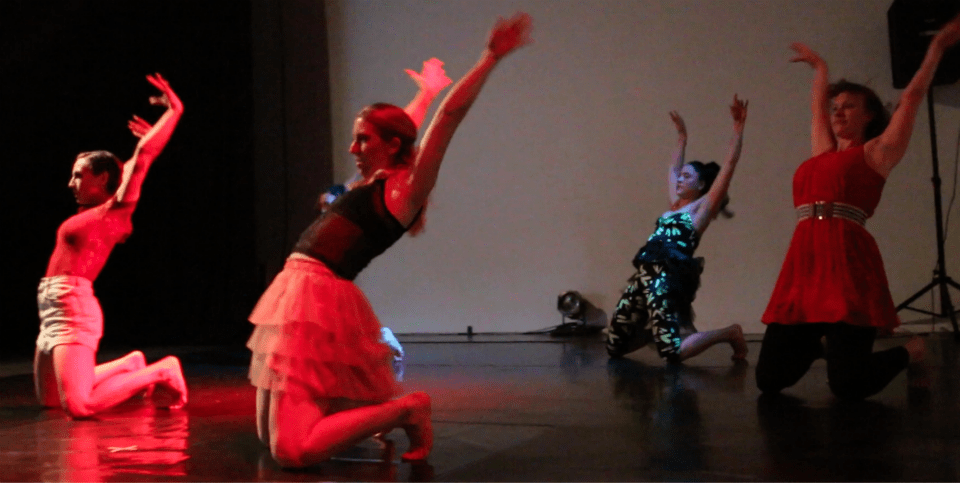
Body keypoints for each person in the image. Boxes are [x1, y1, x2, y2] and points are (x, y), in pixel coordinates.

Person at [247, 13, 533, 467]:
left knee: (292, 450)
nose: (353, 149)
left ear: (391, 146)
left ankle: (408, 409)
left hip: (316, 291)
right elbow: (406, 125)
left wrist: (489, 57)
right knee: (270, 437)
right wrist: (425, 93)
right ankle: (362, 412)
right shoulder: (376, 177)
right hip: (299, 286)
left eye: (362, 140)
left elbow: (447, 120)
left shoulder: (405, 190)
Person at [755, 13, 960, 400]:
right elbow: (817, 109)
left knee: (848, 386)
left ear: (869, 115)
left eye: (849, 106)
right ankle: (822, 346)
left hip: (847, 262)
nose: (838, 112)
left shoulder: (877, 153)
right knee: (769, 379)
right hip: (805, 261)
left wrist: (935, 49)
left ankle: (913, 351)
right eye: (836, 106)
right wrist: (820, 68)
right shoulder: (822, 153)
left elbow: (911, 99)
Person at [34, 73, 188, 418]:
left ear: (102, 178)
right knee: (50, 399)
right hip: (51, 306)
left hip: (72, 307)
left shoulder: (115, 211)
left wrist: (173, 111)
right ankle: (130, 364)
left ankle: (162, 370)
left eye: (78, 175)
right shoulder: (96, 212)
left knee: (79, 405)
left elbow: (143, 157)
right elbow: (136, 159)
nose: (71, 183)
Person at [607, 96, 749, 363]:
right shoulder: (674, 206)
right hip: (643, 275)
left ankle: (729, 333)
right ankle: (655, 333)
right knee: (614, 345)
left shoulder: (700, 210)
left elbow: (728, 167)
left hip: (665, 277)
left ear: (701, 185)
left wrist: (738, 130)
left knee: (672, 352)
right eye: (681, 176)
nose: (680, 179)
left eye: (687, 176)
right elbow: (673, 168)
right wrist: (682, 137)